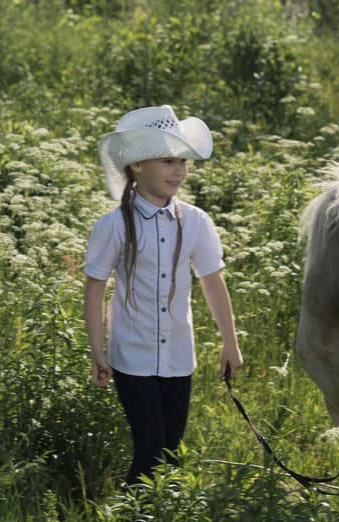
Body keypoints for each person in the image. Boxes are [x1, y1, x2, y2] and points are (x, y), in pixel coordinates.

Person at [83, 105, 242, 485]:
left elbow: (212, 281)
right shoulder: (113, 226)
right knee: (150, 448)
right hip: (131, 356)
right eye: (168, 160)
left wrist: (230, 343)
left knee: (171, 450)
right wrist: (97, 351)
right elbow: (95, 289)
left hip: (177, 356)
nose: (179, 171)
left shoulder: (197, 221)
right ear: (137, 164)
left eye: (183, 161)